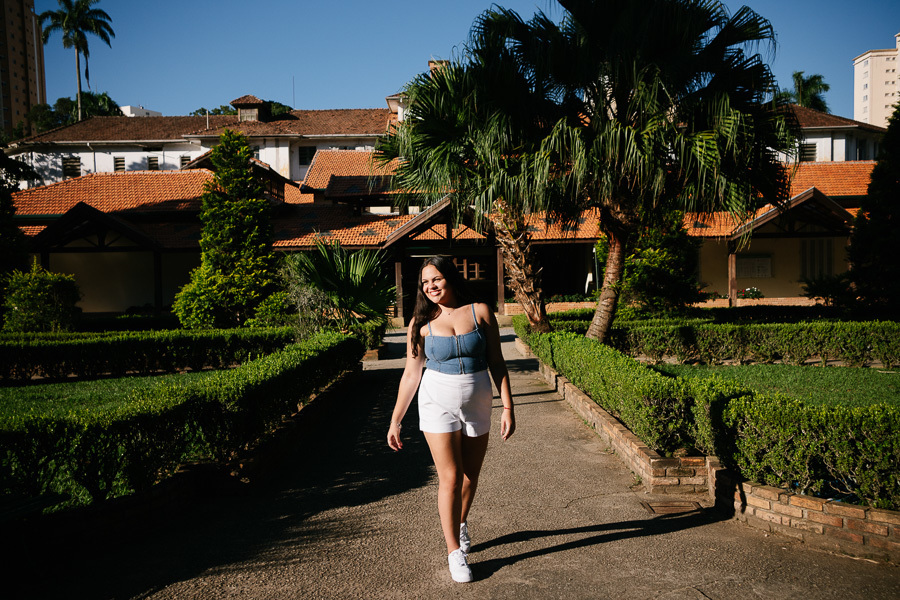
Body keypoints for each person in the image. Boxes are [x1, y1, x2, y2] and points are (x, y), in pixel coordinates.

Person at [387, 255, 515, 583]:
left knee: (471, 476)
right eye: (425, 283)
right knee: (451, 478)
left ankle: (459, 522)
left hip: (479, 400)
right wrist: (395, 419)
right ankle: (454, 551)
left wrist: (508, 407)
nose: (431, 287)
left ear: (450, 278)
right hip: (436, 402)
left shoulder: (481, 311)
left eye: (436, 279)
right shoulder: (419, 323)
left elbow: (497, 362)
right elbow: (411, 374)